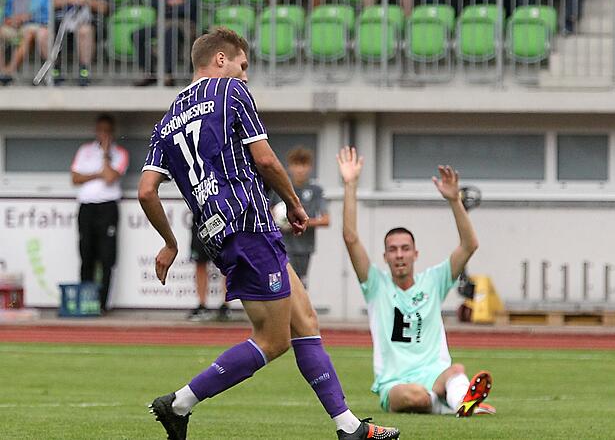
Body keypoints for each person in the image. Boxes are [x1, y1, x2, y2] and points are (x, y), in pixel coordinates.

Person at [138, 27, 399, 440]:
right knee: (273, 340)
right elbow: (267, 161)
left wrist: (170, 242)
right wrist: (295, 204)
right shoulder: (230, 92)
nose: (245, 76)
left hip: (222, 233)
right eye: (243, 65)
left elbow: (146, 191)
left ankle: (348, 426)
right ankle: (179, 402)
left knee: (305, 319)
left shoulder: (166, 121)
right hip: (250, 225)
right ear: (221, 59)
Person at [337, 146, 494, 416]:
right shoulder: (376, 286)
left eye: (405, 248)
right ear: (385, 257)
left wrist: (455, 201)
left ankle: (461, 402)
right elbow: (351, 239)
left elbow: (470, 245)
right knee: (415, 396)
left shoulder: (433, 281)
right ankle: (453, 404)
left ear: (415, 253)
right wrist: (350, 185)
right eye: (393, 250)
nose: (400, 255)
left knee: (455, 371)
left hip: (435, 373)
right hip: (395, 383)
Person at [70, 114, 129, 314]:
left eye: (106, 130)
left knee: (106, 257)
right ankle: (86, 302)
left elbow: (111, 177)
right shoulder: (85, 150)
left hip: (107, 207)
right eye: (100, 130)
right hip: (87, 207)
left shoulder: (119, 153)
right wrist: (97, 174)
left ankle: (102, 304)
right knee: (86, 254)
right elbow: (75, 177)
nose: (102, 134)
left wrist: (105, 155)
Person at [270, 147, 329, 289]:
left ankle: (299, 311)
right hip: (282, 244)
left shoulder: (316, 191)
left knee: (300, 285)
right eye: (296, 165)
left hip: (304, 246)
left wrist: (302, 222)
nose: (300, 169)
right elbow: (269, 212)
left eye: (304, 165)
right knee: (283, 283)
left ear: (310, 167)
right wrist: (278, 221)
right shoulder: (280, 187)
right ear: (289, 167)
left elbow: (326, 220)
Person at [133, 0, 198, 86]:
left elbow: (189, 7)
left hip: (183, 23)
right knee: (137, 35)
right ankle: (150, 73)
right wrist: (177, 2)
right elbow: (153, 3)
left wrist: (166, 3)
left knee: (170, 33)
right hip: (163, 22)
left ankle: (168, 74)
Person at [0, 0, 49, 85]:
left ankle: (9, 71)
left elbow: (44, 16)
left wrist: (25, 18)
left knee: (28, 33)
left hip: (33, 24)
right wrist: (10, 20)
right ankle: (1, 71)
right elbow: (6, 13)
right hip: (13, 25)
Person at [188, 219, 230, 321]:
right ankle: (202, 305)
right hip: (201, 220)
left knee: (227, 261)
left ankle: (225, 306)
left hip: (224, 219)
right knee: (200, 262)